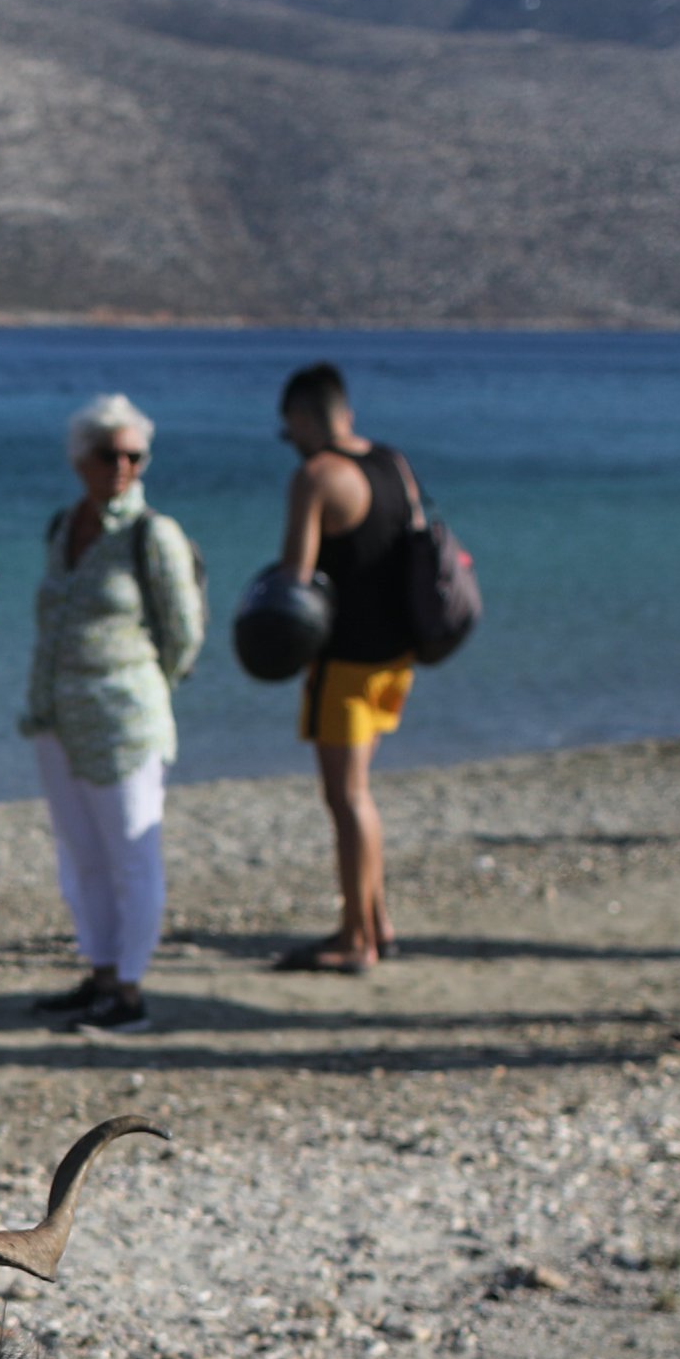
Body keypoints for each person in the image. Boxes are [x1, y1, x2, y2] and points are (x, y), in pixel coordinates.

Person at [15, 395, 206, 1037]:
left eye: (134, 455)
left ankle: (130, 988)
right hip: (58, 717)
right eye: (109, 454)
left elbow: (184, 633)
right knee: (81, 854)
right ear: (82, 459)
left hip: (125, 719)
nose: (122, 466)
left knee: (133, 852)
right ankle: (99, 972)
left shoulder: (153, 534)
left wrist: (143, 684)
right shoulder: (62, 528)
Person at [272, 363, 423, 974]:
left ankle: (356, 938)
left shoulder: (315, 477)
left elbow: (294, 583)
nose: (291, 441)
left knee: (347, 797)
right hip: (396, 656)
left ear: (306, 420)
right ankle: (377, 921)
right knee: (361, 792)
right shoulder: (394, 462)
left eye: (290, 429)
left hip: (347, 660)